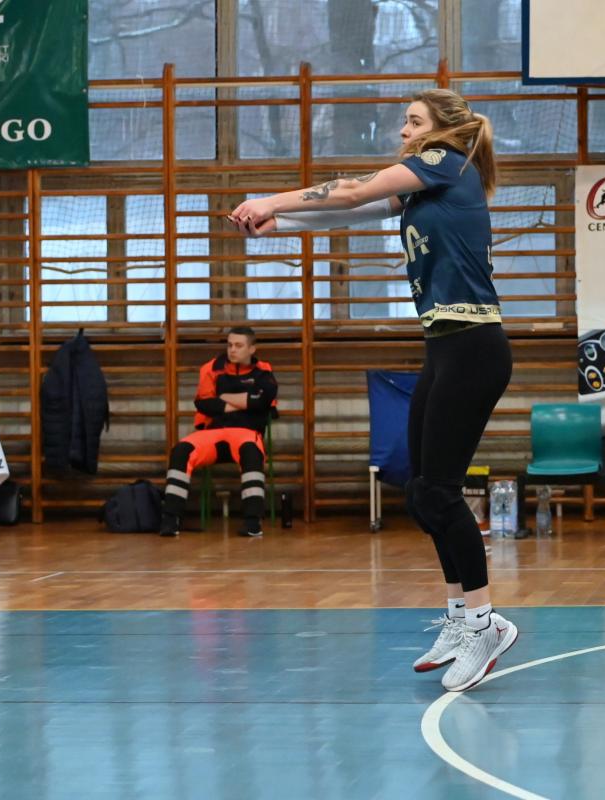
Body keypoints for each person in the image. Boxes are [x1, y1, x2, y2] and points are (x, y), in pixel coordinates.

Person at [228, 89, 516, 693]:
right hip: (445, 345)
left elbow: (353, 189)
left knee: (441, 491)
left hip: (474, 346)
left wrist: (269, 198)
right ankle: (460, 616)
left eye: (413, 121)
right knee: (421, 491)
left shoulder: (444, 162)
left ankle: (485, 623)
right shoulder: (424, 184)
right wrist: (284, 224)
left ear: (443, 130)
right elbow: (351, 212)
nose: (403, 131)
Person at [160, 327, 277, 539]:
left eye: (239, 345)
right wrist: (244, 402)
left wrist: (223, 397)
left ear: (252, 349)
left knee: (251, 452)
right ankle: (171, 519)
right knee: (181, 450)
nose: (232, 350)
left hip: (246, 432)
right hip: (213, 433)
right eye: (230, 345)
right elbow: (203, 404)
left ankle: (253, 522)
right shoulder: (211, 368)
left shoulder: (263, 370)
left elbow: (263, 401)